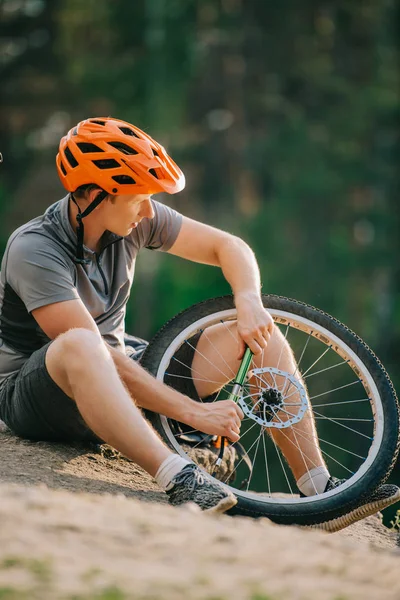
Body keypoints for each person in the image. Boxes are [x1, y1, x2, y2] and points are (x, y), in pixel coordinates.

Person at [0, 117, 398, 523]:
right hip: (40, 395)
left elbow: (229, 246)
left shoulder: (137, 220)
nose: (148, 208)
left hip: (122, 379)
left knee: (260, 335)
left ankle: (320, 494)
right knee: (81, 344)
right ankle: (178, 479)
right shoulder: (33, 249)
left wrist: (248, 301)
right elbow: (99, 355)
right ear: (99, 194)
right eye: (139, 197)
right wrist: (193, 412)